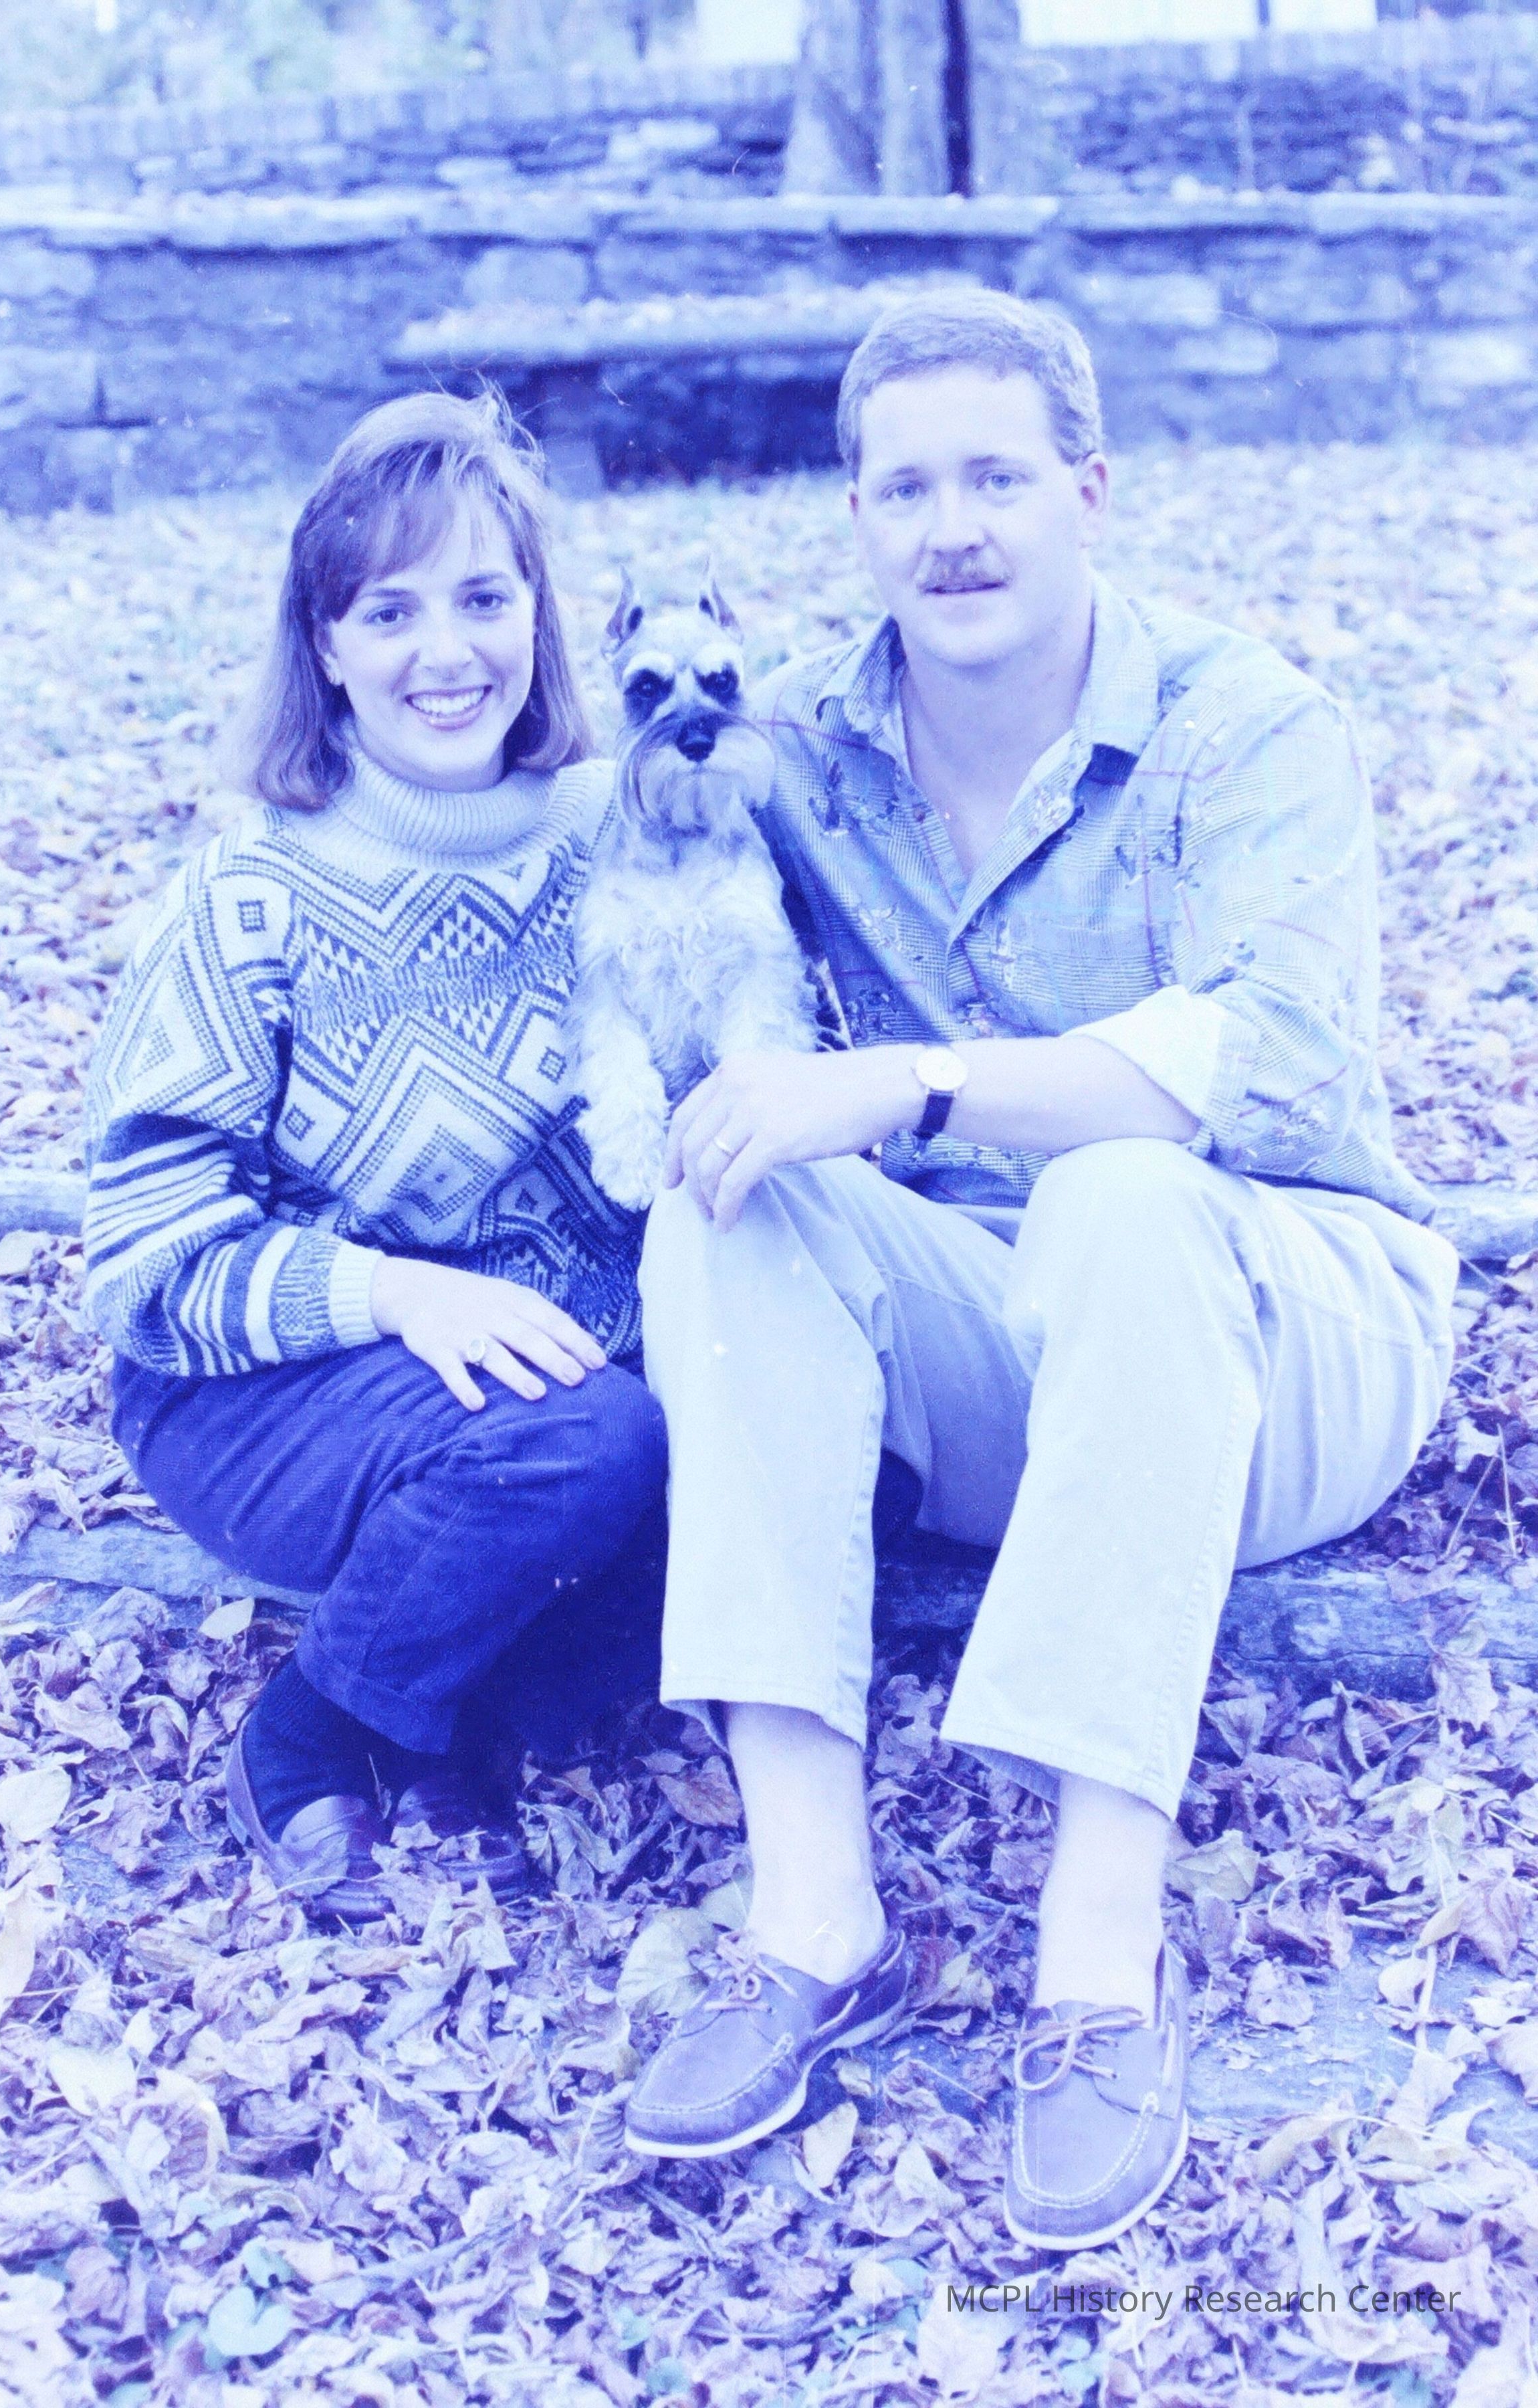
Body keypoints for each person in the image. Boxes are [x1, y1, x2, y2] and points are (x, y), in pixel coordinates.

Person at [622, 290, 1458, 2246]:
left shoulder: (1244, 727)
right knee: (726, 1176)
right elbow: (587, 845)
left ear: (1090, 490)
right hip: (1008, 1351)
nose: (953, 531)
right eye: (905, 490)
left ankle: (1096, 1968)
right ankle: (815, 1920)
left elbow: (1276, 1061)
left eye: (996, 478)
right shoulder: (798, 744)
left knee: (1123, 1194)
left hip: (1289, 1332)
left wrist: (911, 1082)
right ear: (856, 518)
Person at [82, 390, 667, 1919]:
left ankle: (464, 1717)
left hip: (566, 1358)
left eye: (483, 598)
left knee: (836, 1458)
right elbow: (144, 1260)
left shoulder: (618, 839)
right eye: (390, 611)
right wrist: (400, 1294)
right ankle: (310, 1730)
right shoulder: (253, 896)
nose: (446, 651)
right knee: (590, 1443)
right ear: (325, 643)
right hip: (272, 1389)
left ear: (538, 614)